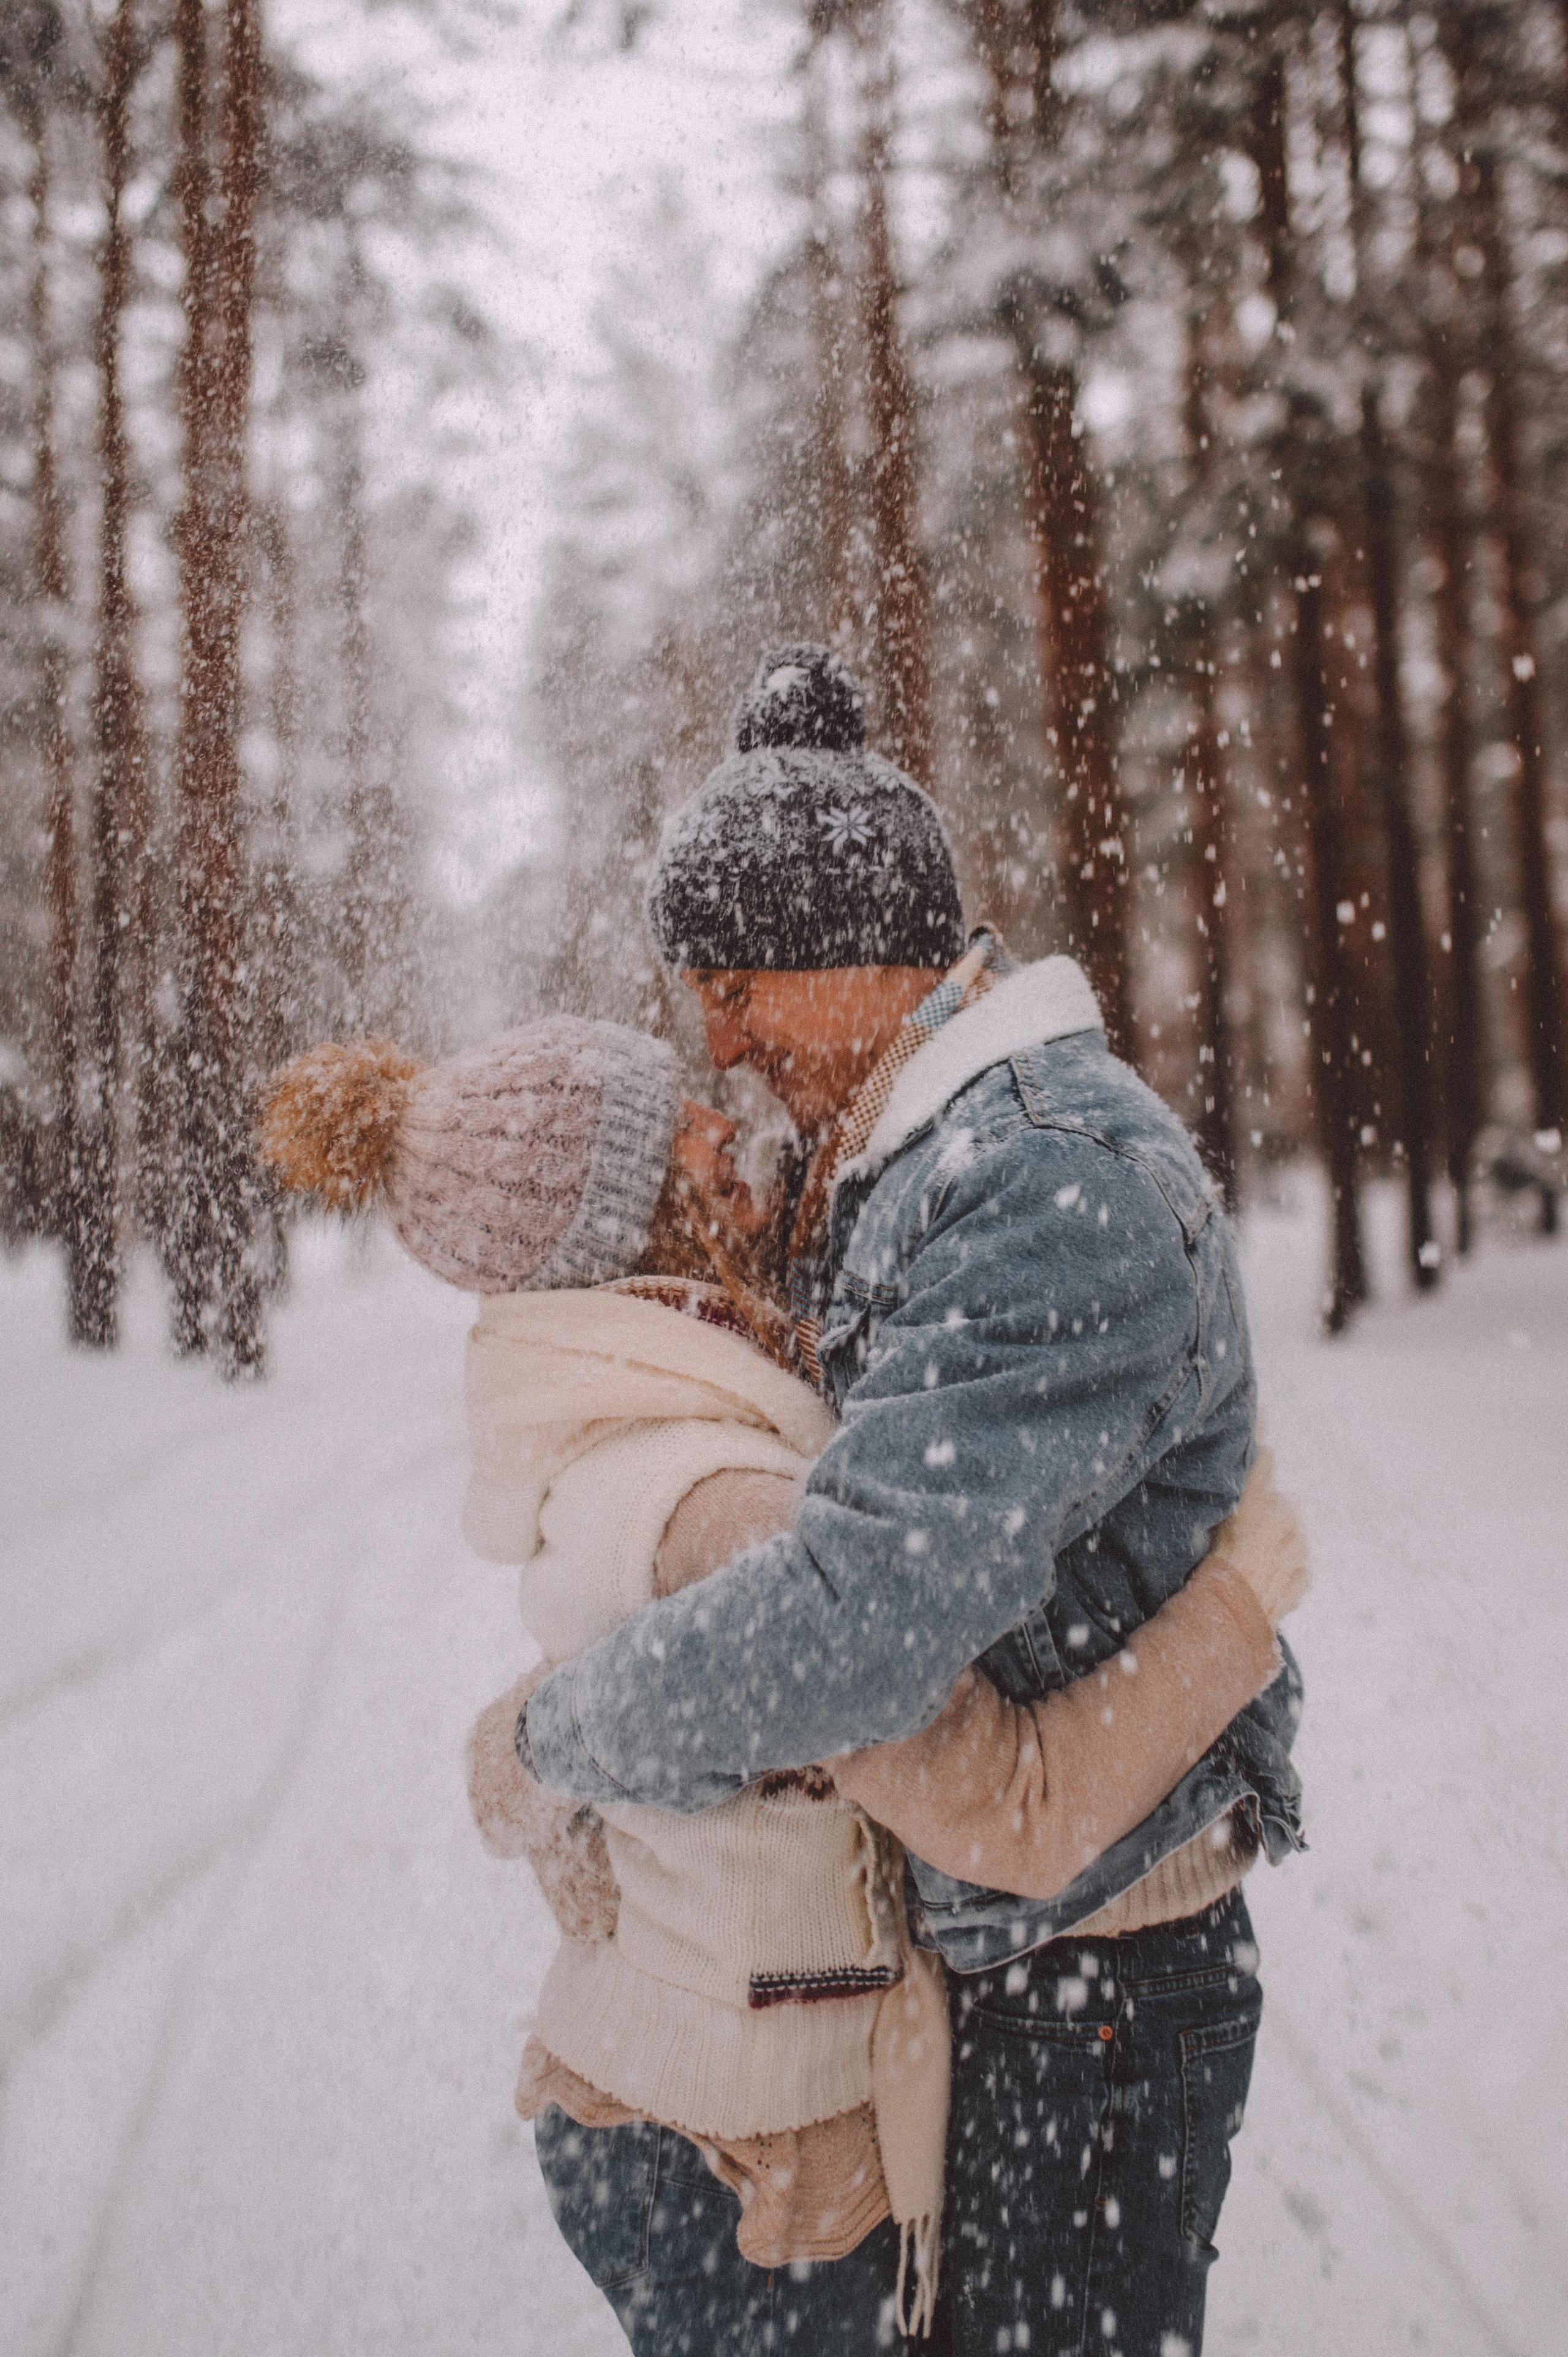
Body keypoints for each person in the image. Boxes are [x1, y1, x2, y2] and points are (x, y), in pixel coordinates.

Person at [258, 1007, 1305, 2356]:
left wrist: (533, 1756)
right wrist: (1241, 1603)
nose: (725, 1127)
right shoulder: (731, 1495)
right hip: (748, 2174)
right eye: (677, 1133)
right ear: (632, 1223)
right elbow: (1009, 1809)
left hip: (686, 2126)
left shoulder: (642, 1407)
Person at [517, 644, 1307, 2357]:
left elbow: (852, 1626)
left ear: (861, 951)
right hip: (1000, 1966)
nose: (719, 1039)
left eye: (738, 986)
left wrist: (554, 1741)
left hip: (1099, 1979)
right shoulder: (899, 1152)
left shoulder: (1044, 1176)